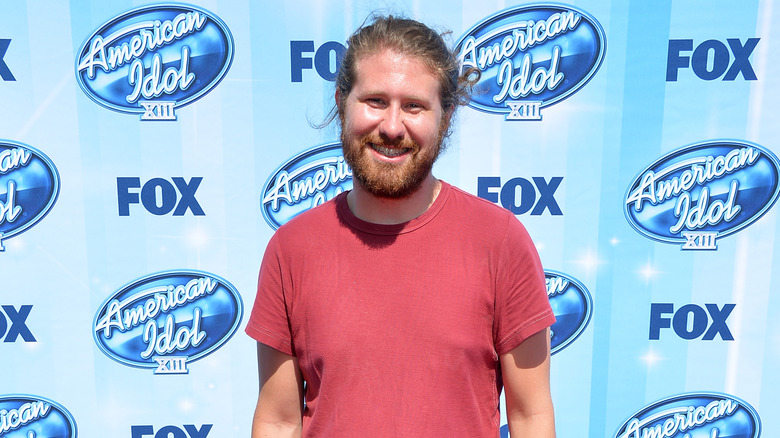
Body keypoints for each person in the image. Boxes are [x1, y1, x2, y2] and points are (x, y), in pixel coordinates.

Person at [246, 14, 556, 437]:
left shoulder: (499, 241)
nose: (392, 127)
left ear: (445, 117)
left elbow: (530, 417)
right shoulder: (291, 250)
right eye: (375, 101)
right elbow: (278, 420)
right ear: (341, 103)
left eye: (414, 106)